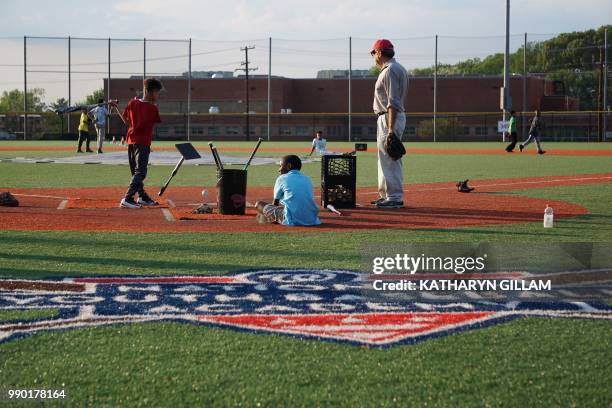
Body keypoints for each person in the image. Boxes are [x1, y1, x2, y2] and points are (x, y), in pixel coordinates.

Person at [370, 39, 409, 209]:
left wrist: (391, 129)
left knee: (390, 158)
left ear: (379, 52)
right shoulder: (397, 68)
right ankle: (387, 195)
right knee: (385, 158)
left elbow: (392, 101)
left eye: (373, 53)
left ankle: (394, 197)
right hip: (390, 116)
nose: (373, 57)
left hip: (389, 117)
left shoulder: (390, 70)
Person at [114, 78, 163, 209]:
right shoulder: (153, 108)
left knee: (136, 172)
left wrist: (116, 107)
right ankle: (128, 198)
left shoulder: (133, 103)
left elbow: (126, 121)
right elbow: (154, 119)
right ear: (149, 91)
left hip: (131, 142)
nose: (157, 96)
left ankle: (142, 197)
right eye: (157, 92)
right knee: (140, 172)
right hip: (142, 143)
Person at [255, 155, 321, 226]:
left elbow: (275, 203)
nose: (279, 169)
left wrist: (267, 215)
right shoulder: (307, 179)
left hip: (292, 220)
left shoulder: (281, 178)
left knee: (258, 204)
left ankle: (267, 219)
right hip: (312, 219)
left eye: (281, 166)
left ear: (289, 166)